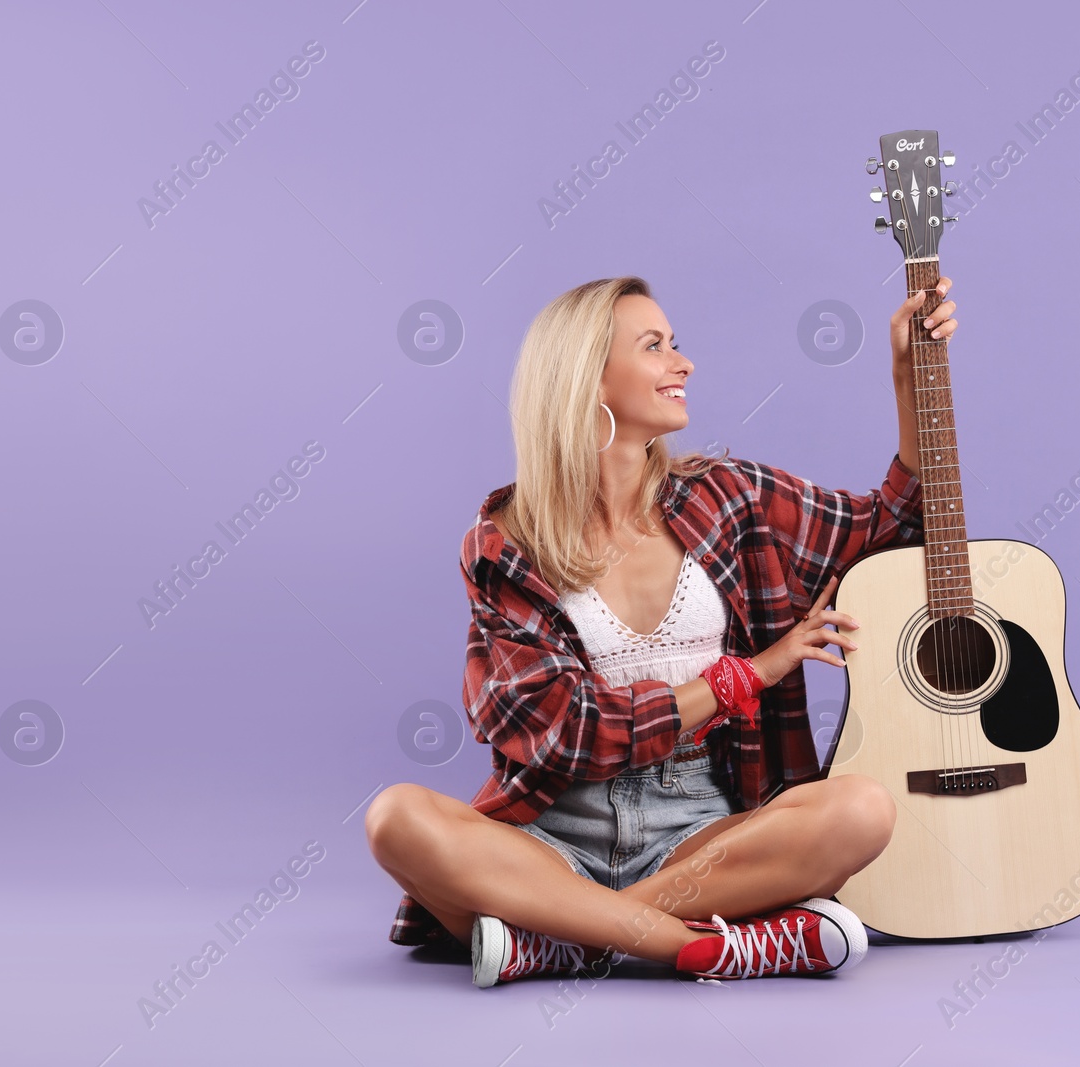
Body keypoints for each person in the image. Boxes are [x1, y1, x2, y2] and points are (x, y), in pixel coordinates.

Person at [366, 273, 957, 985]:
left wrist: (907, 379)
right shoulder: (505, 541)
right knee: (395, 816)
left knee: (860, 810)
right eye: (655, 346)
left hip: (698, 831)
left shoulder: (726, 497)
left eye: (675, 344)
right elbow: (568, 731)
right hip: (552, 833)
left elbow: (891, 530)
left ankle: (562, 936)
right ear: (589, 378)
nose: (684, 363)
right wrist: (746, 675)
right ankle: (697, 943)